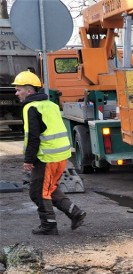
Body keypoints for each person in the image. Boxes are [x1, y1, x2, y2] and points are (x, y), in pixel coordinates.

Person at [12, 71, 86, 235]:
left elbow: (33, 136)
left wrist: (28, 160)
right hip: (61, 156)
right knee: (49, 189)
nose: (16, 93)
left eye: (19, 90)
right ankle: (76, 213)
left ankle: (48, 225)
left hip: (46, 157)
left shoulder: (31, 107)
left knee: (38, 192)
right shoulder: (51, 104)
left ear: (29, 90)